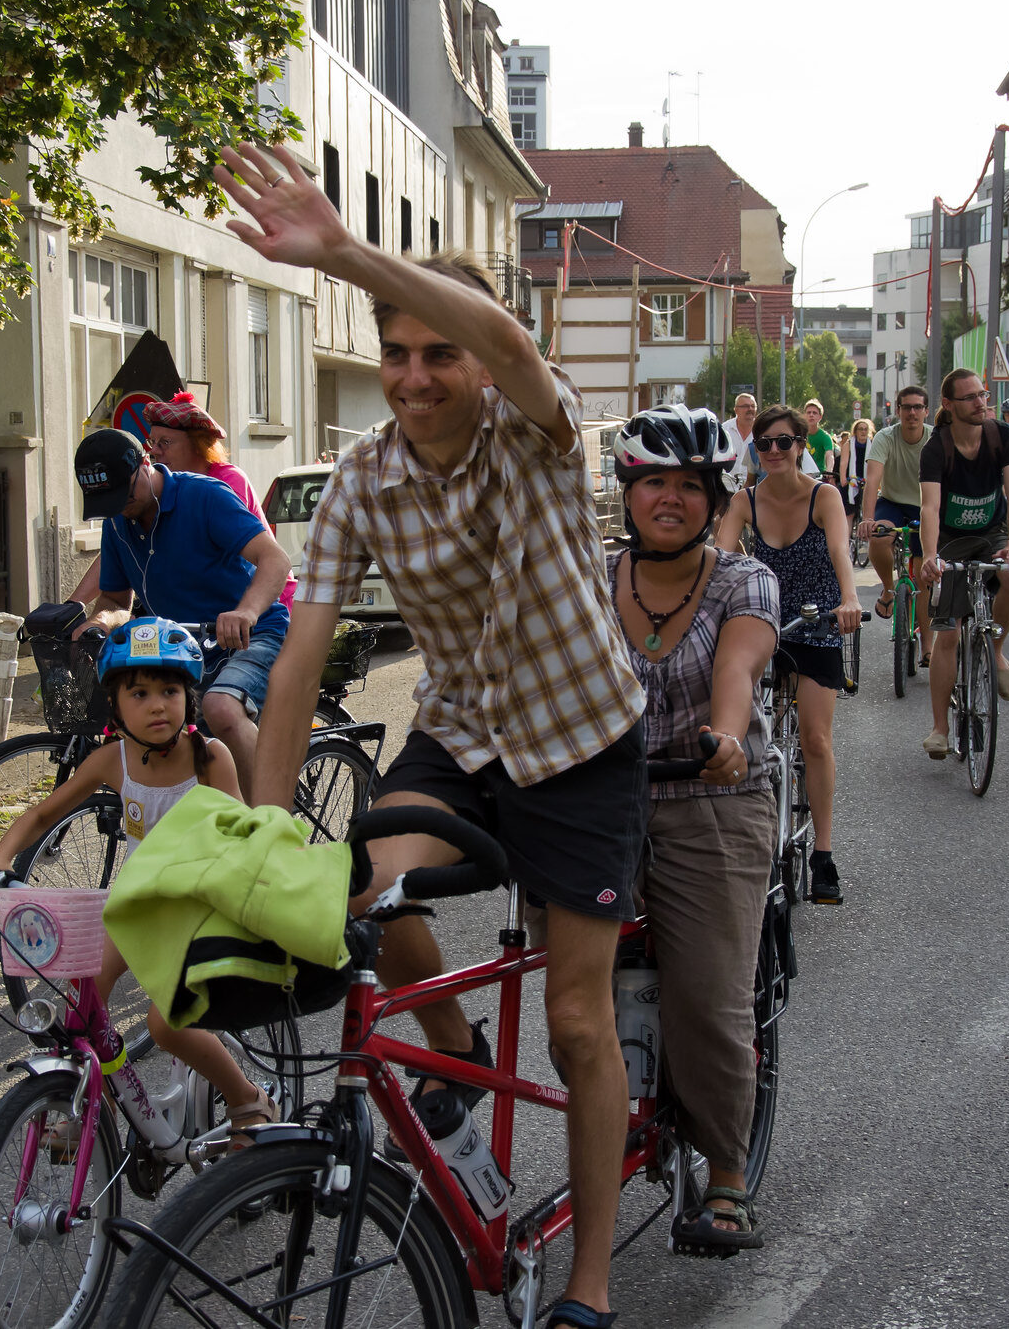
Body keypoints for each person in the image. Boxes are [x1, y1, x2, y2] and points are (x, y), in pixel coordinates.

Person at [219, 141, 646, 1329]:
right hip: (461, 736)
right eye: (393, 354)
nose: (413, 377)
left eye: (435, 352)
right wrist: (260, 828)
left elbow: (514, 349)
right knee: (366, 903)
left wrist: (349, 250)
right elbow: (301, 656)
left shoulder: (536, 436)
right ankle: (452, 1085)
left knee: (573, 1019)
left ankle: (592, 1284)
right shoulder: (361, 481)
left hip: (578, 743)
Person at [0, 619, 279, 1141]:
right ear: (116, 704)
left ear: (188, 697)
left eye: (170, 691)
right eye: (140, 693)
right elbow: (43, 816)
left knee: (165, 1023)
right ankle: (97, 1104)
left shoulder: (208, 757)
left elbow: (240, 835)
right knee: (81, 1002)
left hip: (198, 910)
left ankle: (249, 1100)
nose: (158, 705)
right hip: (136, 904)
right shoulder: (113, 760)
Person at [607, 408, 779, 1253]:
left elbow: (737, 668)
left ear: (712, 499)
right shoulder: (591, 583)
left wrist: (725, 738)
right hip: (602, 807)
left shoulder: (741, 580)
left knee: (707, 998)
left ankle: (727, 1173)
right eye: (653, 483)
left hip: (712, 795)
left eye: (687, 485)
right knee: (574, 996)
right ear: (628, 493)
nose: (668, 499)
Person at [70, 425, 292, 800]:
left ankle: (270, 826)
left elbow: (275, 559)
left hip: (253, 634)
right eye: (106, 503)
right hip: (185, 649)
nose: (118, 509)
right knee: (156, 733)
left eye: (121, 495)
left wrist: (245, 612)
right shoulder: (117, 523)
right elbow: (113, 600)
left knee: (220, 707)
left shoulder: (204, 496)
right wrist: (97, 622)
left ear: (144, 462)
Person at [715, 404, 863, 903]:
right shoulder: (744, 501)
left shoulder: (824, 496)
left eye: (783, 442)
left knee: (816, 739)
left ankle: (822, 855)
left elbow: (841, 552)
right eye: (764, 443)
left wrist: (850, 598)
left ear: (801, 445)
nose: (774, 451)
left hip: (818, 621)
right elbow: (719, 560)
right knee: (732, 727)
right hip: (765, 623)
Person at [918, 368, 1009, 759]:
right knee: (947, 634)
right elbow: (929, 507)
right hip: (950, 540)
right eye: (971, 397)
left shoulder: (1004, 437)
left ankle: (995, 650)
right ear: (949, 405)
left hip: (993, 534)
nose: (982, 402)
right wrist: (930, 556)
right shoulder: (938, 448)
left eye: (984, 395)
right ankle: (939, 729)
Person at [142, 392, 296, 608]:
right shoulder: (165, 486)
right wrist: (77, 602)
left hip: (267, 605)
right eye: (153, 441)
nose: (154, 451)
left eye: (165, 442)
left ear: (198, 445)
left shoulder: (227, 480)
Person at [857, 386, 935, 666]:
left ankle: (928, 647)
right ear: (898, 411)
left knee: (924, 577)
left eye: (917, 407)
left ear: (926, 411)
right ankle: (889, 589)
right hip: (892, 502)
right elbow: (873, 479)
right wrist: (867, 518)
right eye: (906, 407)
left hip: (927, 505)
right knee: (879, 537)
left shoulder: (934, 438)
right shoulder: (885, 437)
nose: (912, 412)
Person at [837, 418, 875, 520]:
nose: (863, 432)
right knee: (849, 513)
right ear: (855, 431)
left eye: (865, 429)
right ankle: (847, 535)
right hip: (851, 481)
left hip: (866, 481)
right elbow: (843, 462)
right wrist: (843, 478)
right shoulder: (848, 444)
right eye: (860, 429)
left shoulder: (873, 445)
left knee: (867, 512)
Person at [800, 398, 838, 478]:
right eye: (808, 412)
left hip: (818, 476)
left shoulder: (825, 437)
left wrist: (829, 470)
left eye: (814, 413)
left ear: (820, 417)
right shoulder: (798, 434)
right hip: (801, 474)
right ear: (804, 416)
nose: (811, 415)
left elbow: (829, 455)